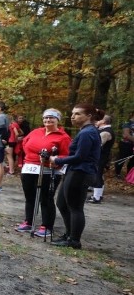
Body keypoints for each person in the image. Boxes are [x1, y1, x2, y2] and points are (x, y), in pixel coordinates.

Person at [49, 104, 104, 249]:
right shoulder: (85, 131)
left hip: (81, 172)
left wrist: (58, 160)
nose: (73, 116)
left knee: (75, 207)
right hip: (74, 171)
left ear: (89, 116)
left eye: (78, 114)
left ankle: (74, 240)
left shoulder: (88, 133)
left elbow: (80, 156)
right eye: (73, 113)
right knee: (62, 203)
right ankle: (68, 234)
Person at [14, 109, 71, 237]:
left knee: (46, 198)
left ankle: (47, 226)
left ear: (58, 120)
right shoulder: (36, 131)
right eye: (46, 118)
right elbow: (24, 143)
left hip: (48, 170)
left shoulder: (63, 137)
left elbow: (66, 155)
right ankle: (29, 221)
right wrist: (31, 155)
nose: (48, 120)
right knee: (30, 196)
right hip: (29, 167)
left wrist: (54, 160)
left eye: (52, 118)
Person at [89, 114, 114, 203]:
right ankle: (98, 195)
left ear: (103, 121)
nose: (96, 121)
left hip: (101, 157)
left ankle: (97, 197)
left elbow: (98, 145)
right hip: (102, 156)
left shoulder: (106, 132)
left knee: (98, 175)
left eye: (99, 119)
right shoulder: (103, 130)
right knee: (99, 175)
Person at [115, 111, 134, 178]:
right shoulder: (127, 123)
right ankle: (117, 173)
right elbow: (126, 135)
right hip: (126, 144)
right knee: (122, 158)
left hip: (133, 146)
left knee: (132, 161)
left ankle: (129, 175)